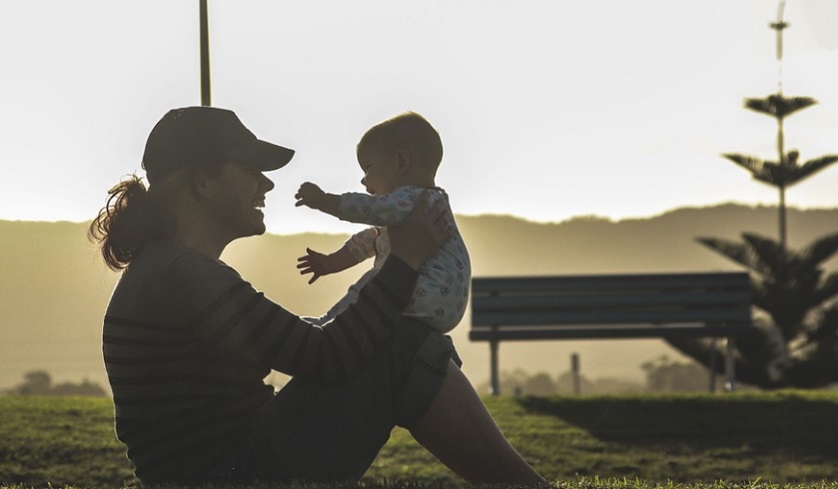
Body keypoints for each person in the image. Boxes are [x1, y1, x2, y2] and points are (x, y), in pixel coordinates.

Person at [89, 106, 544, 485]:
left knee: (399, 339)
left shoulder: (168, 270)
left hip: (227, 470)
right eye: (251, 171)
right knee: (402, 341)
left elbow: (299, 342)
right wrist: (404, 260)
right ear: (202, 182)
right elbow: (326, 356)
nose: (266, 185)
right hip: (233, 476)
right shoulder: (181, 274)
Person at [294, 112, 470, 334]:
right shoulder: (424, 206)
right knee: (377, 284)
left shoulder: (414, 198)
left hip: (427, 292)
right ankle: (329, 323)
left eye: (367, 168)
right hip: (442, 304)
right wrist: (330, 263)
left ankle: (330, 326)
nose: (363, 180)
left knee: (371, 287)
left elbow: (369, 209)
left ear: (401, 162)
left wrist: (323, 200)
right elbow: (370, 241)